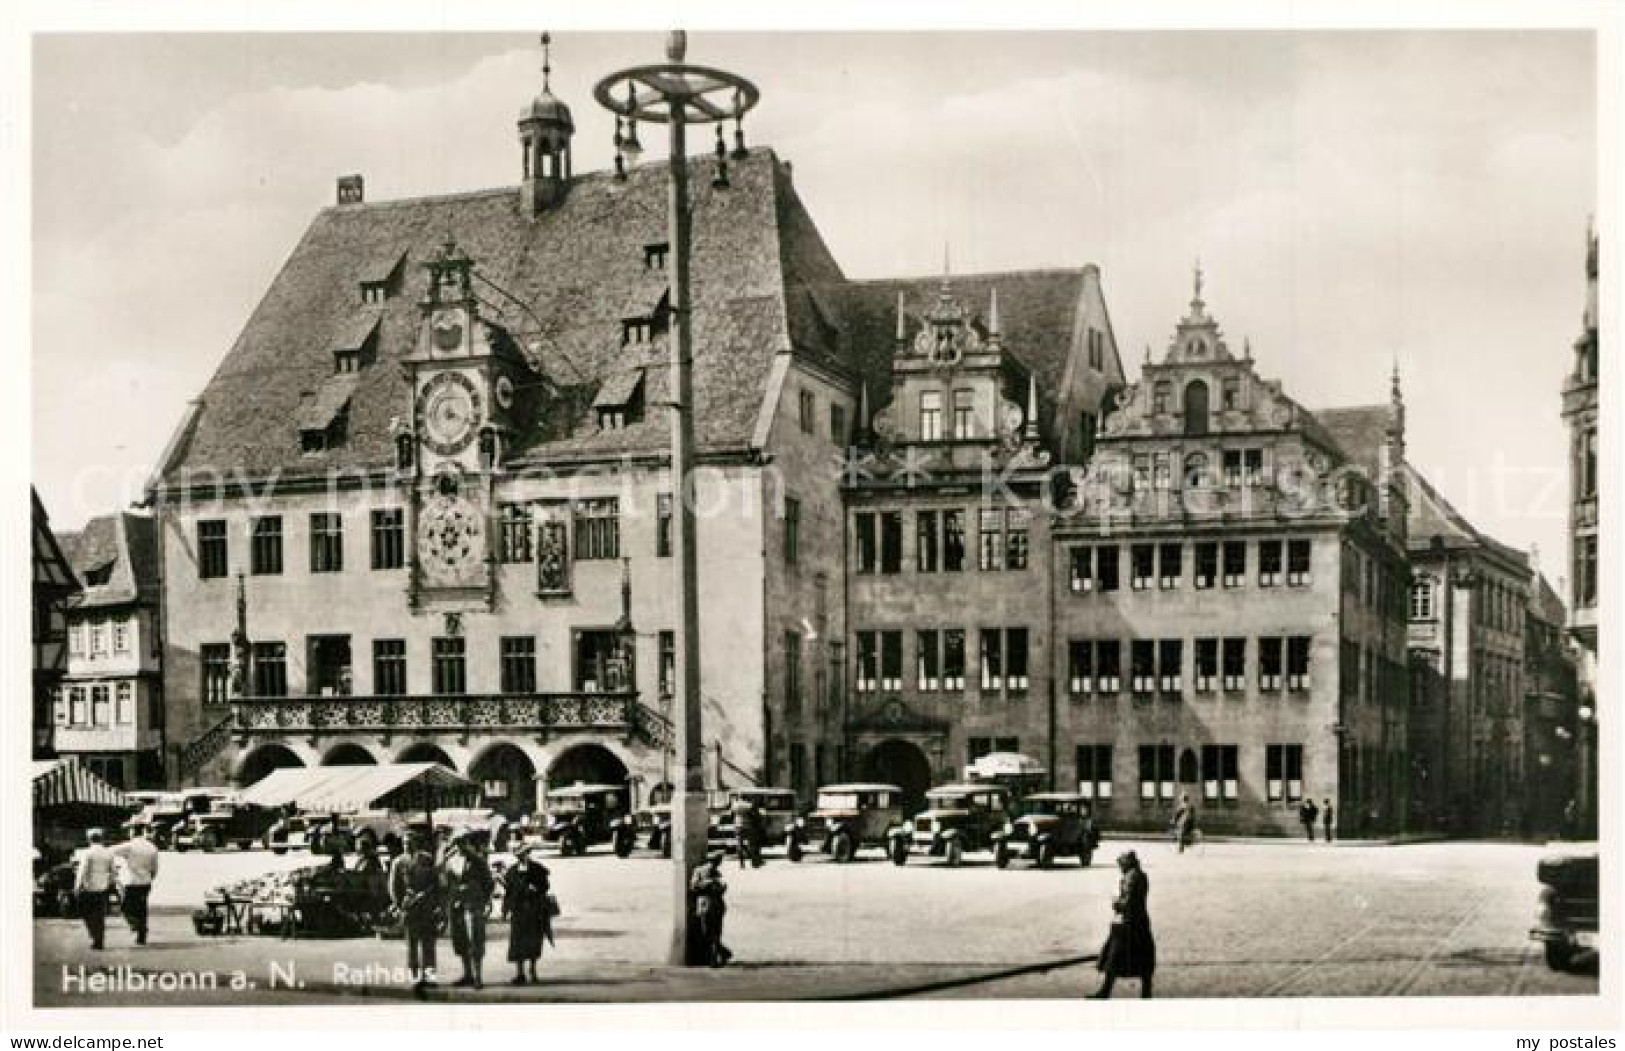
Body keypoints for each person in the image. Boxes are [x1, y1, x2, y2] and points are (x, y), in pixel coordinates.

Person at [1090, 851, 1156, 999]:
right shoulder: (1141, 874)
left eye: (1121, 864)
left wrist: (1116, 903)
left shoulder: (1130, 877)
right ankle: (1146, 993)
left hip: (1126, 924)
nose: (1120, 867)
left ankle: (1105, 992)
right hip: (1140, 922)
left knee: (1114, 959)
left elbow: (1128, 901)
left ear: (1127, 863)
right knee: (1144, 959)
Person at [389, 826, 442, 994]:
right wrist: (399, 904)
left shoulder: (426, 859)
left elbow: (436, 882)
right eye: (404, 843)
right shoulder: (399, 862)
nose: (407, 846)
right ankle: (414, 977)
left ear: (416, 844)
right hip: (409, 908)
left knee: (428, 944)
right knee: (412, 945)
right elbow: (393, 886)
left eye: (410, 843)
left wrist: (434, 902)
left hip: (426, 907)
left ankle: (430, 977)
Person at [442, 829, 494, 989]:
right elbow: (446, 883)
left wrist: (481, 900)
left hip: (473, 905)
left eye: (463, 841)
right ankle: (467, 974)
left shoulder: (477, 861)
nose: (459, 845)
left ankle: (478, 976)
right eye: (456, 842)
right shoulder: (450, 861)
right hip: (456, 905)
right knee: (460, 940)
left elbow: (488, 883)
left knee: (475, 940)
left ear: (468, 842)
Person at [500, 843, 553, 986]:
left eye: (523, 853)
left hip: (534, 910)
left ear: (528, 853)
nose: (520, 856)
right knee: (517, 943)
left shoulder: (537, 869)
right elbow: (508, 893)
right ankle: (520, 974)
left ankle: (533, 971)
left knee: (534, 942)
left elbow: (545, 886)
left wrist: (535, 888)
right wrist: (505, 911)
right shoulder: (512, 871)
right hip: (518, 911)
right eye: (518, 854)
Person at [112, 826, 160, 945]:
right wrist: (150, 878)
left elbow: (110, 851)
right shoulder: (152, 848)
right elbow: (155, 868)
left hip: (131, 882)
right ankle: (141, 936)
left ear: (133, 832)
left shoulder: (129, 846)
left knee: (125, 908)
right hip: (145, 882)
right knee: (142, 908)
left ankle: (135, 925)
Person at [73, 828, 116, 951]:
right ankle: (99, 940)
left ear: (89, 839)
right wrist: (110, 883)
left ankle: (95, 937)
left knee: (87, 913)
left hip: (89, 888)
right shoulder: (108, 853)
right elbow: (113, 871)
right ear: (101, 839)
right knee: (99, 915)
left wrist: (77, 886)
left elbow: (82, 871)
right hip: (103, 888)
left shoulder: (88, 853)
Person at [689, 852, 732, 967]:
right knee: (707, 932)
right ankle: (723, 952)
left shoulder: (718, 874)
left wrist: (720, 887)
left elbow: (723, 888)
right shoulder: (698, 871)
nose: (715, 865)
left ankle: (714, 959)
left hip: (717, 905)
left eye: (717, 862)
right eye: (714, 862)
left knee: (716, 931)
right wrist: (708, 883)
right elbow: (693, 886)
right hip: (705, 904)